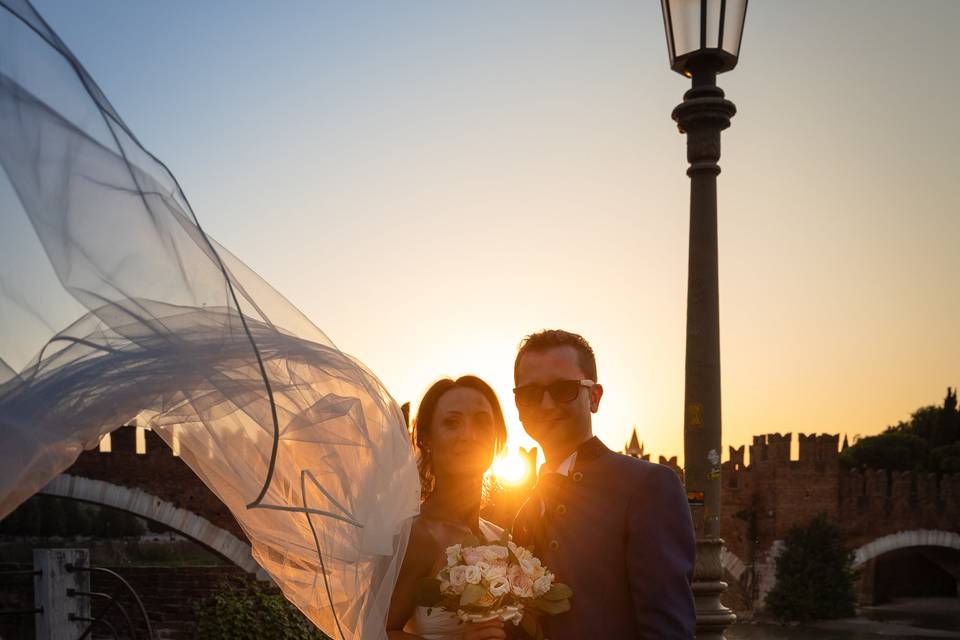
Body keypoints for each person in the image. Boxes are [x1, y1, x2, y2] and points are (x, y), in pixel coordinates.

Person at [511, 329, 696, 639]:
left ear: (594, 397)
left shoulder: (648, 486)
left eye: (562, 389)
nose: (545, 405)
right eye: (530, 394)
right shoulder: (524, 513)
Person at [387, 376, 509, 640]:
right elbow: (377, 633)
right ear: (427, 439)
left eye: (481, 421)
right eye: (452, 423)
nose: (469, 435)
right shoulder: (418, 535)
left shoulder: (501, 538)